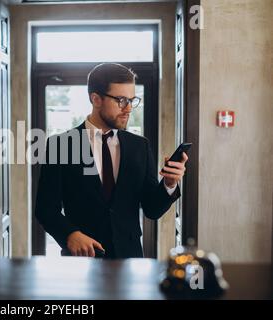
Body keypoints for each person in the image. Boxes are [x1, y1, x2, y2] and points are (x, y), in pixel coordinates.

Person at [35, 63, 188, 259]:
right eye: (121, 100)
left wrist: (169, 184)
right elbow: (46, 209)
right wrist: (70, 234)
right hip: (82, 260)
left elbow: (152, 209)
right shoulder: (61, 145)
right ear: (96, 99)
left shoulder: (139, 146)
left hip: (130, 258)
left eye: (132, 100)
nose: (129, 108)